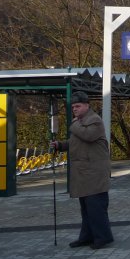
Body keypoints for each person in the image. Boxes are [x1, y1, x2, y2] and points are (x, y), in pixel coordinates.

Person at [51, 90, 113, 250]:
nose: (75, 109)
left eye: (78, 106)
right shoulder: (80, 122)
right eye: (73, 107)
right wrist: (60, 145)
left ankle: (103, 237)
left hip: (94, 174)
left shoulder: (94, 120)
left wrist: (73, 124)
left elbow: (88, 136)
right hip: (85, 174)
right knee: (86, 208)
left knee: (96, 208)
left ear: (87, 105)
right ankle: (86, 237)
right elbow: (76, 142)